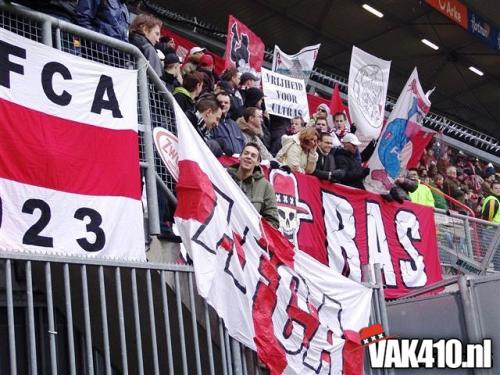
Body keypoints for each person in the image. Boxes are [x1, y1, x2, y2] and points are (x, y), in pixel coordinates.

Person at [227, 143, 279, 228]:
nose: (249, 157)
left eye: (253, 155)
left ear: (258, 162)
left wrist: (255, 231)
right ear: (239, 157)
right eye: (246, 153)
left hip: (247, 238)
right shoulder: (225, 177)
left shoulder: (265, 186)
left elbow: (273, 222)